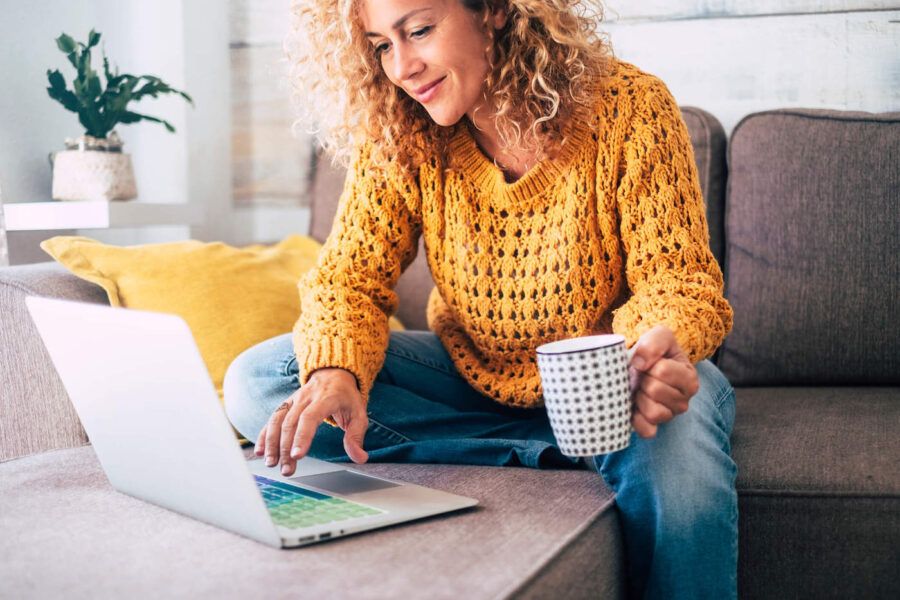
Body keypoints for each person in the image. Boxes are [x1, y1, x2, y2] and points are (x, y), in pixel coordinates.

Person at [223, 1, 737, 598]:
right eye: (381, 45)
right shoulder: (401, 129)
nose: (403, 67)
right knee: (260, 381)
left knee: (677, 434)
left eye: (418, 31)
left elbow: (679, 281)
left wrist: (647, 355)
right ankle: (564, 451)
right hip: (474, 377)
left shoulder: (631, 108)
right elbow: (348, 278)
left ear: (493, 10)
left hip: (613, 385)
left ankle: (583, 442)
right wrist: (337, 371)